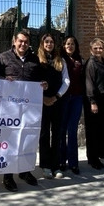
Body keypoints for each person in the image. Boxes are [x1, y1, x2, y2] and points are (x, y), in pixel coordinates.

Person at [0, 30, 46, 192]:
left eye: (26, 42)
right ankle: (8, 176)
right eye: (20, 41)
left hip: (29, 108)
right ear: (14, 41)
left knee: (27, 139)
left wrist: (44, 84)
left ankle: (24, 171)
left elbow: (40, 80)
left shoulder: (35, 60)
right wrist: (4, 80)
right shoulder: (3, 58)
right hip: (9, 109)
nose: (23, 44)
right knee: (8, 141)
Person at [36, 33, 70, 179]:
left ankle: (56, 166)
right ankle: (45, 166)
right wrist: (43, 98)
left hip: (57, 102)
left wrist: (56, 97)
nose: (49, 44)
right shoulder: (37, 60)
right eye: (46, 42)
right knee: (43, 134)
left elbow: (66, 81)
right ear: (42, 44)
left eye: (51, 42)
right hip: (41, 102)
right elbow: (32, 80)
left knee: (57, 134)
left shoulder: (60, 61)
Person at [59, 35, 85, 175]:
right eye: (68, 44)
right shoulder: (60, 60)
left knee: (72, 130)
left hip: (76, 98)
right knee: (62, 130)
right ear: (64, 46)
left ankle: (73, 163)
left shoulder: (80, 60)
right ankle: (62, 161)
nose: (70, 46)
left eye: (72, 44)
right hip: (63, 98)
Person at [84, 38, 104, 170]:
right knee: (92, 131)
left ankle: (98, 156)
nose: (98, 50)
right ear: (91, 49)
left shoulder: (103, 62)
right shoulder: (91, 63)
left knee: (100, 130)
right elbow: (89, 83)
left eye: (100, 48)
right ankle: (92, 159)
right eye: (95, 48)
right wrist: (92, 102)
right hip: (94, 101)